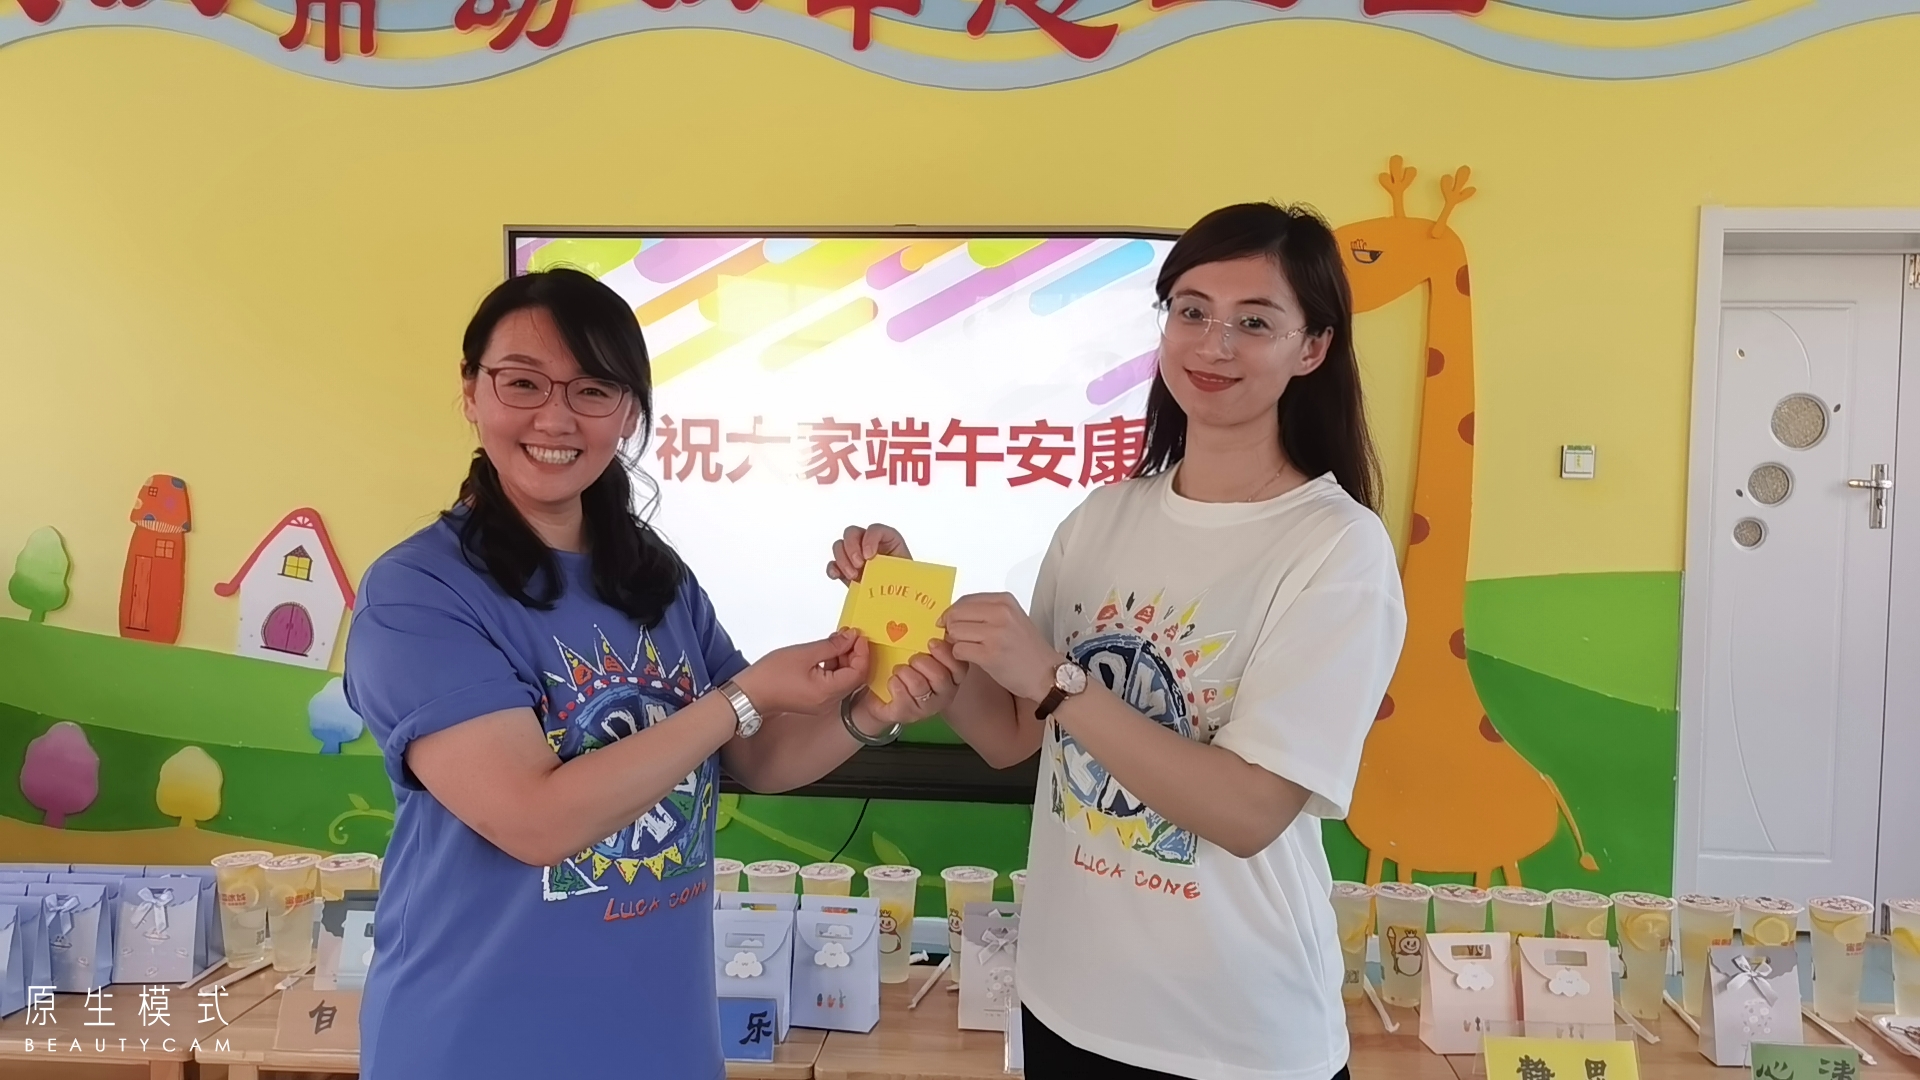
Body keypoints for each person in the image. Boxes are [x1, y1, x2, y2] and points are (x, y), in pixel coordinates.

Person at [829, 204, 1408, 1080]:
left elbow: (1250, 813)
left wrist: (1058, 683)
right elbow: (1014, 735)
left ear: (1313, 347)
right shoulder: (1103, 516)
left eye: (1255, 322)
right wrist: (917, 615)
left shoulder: (1336, 546)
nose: (1214, 344)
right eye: (1191, 310)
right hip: (1063, 1004)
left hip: (1232, 1039)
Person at [343, 268, 959, 1079]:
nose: (555, 417)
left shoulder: (649, 573)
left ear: (629, 412)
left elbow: (756, 755)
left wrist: (871, 702)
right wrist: (740, 698)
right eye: (522, 383)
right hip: (480, 1044)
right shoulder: (418, 591)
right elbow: (535, 821)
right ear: (471, 391)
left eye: (593, 390)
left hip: (663, 1042)